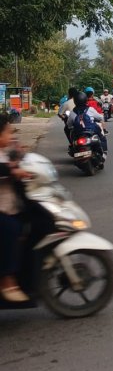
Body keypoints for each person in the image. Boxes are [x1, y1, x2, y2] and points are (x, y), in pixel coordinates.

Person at [0, 112, 31, 302]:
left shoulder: (4, 150)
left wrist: (20, 154)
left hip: (9, 203)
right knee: (12, 228)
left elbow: (13, 157)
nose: (11, 136)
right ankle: (7, 280)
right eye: (8, 133)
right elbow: (4, 169)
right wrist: (14, 171)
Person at [69, 92, 108, 157]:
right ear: (85, 100)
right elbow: (100, 117)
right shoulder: (90, 109)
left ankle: (73, 148)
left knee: (72, 137)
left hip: (78, 133)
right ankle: (104, 152)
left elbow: (69, 124)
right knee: (102, 137)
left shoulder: (72, 112)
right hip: (91, 130)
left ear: (75, 101)